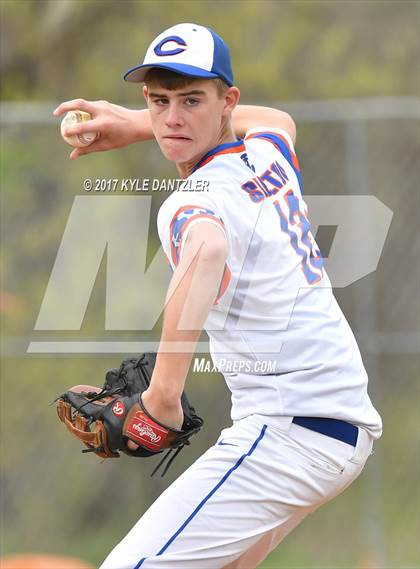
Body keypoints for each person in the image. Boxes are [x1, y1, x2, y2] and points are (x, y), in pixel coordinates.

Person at [54, 23, 382, 569]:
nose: (174, 118)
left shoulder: (190, 200)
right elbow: (277, 118)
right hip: (337, 428)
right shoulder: (268, 158)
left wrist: (162, 399)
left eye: (192, 101)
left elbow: (204, 251)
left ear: (227, 101)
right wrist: (141, 125)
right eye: (160, 102)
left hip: (287, 431)